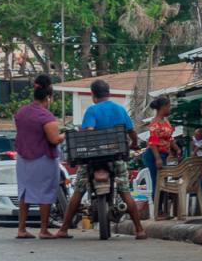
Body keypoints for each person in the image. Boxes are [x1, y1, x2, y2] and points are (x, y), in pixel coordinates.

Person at [59, 79, 148, 239]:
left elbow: (89, 131)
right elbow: (132, 132)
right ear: (109, 93)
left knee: (78, 190)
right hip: (115, 157)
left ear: (93, 95)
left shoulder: (91, 111)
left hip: (92, 158)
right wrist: (134, 144)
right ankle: (139, 229)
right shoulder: (120, 110)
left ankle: (64, 229)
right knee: (125, 191)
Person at [13, 75, 68, 239]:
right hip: (43, 158)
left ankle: (21, 229)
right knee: (46, 192)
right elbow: (54, 139)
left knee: (24, 192)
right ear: (48, 98)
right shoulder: (47, 117)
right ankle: (43, 229)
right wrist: (64, 135)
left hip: (23, 158)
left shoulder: (21, 112)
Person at [140, 95, 177, 198]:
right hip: (154, 154)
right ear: (163, 107)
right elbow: (153, 141)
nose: (169, 109)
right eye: (169, 106)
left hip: (163, 154)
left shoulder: (166, 122)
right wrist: (157, 158)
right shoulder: (155, 123)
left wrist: (176, 149)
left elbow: (169, 138)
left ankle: (162, 209)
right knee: (157, 181)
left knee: (163, 181)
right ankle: (158, 210)